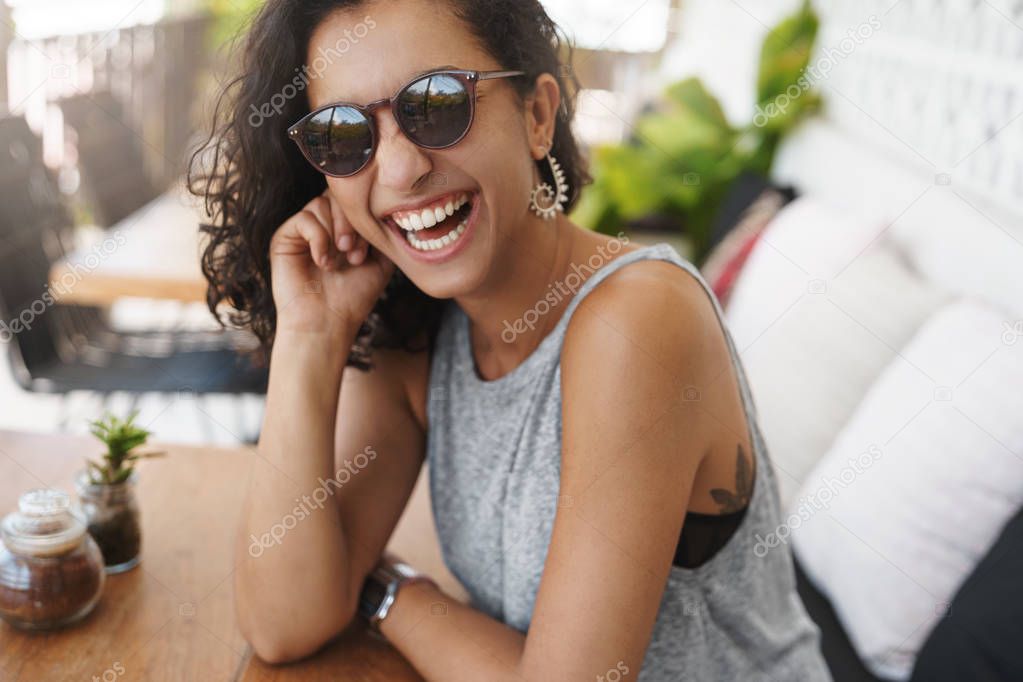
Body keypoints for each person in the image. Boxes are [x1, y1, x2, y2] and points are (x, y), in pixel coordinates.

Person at [190, 1, 832, 679]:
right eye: (344, 136)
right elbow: (282, 623)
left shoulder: (639, 319)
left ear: (536, 116)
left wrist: (389, 593)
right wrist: (309, 337)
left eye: (436, 105)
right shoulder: (418, 337)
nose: (402, 170)